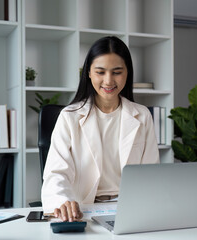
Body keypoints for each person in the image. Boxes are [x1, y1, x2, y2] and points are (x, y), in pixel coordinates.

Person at [41, 36, 159, 222]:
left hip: (130, 209)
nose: (108, 80)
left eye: (117, 72)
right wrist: (63, 201)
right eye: (100, 72)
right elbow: (56, 173)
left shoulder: (142, 116)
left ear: (127, 73)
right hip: (83, 209)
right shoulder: (70, 116)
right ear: (88, 72)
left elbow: (152, 175)